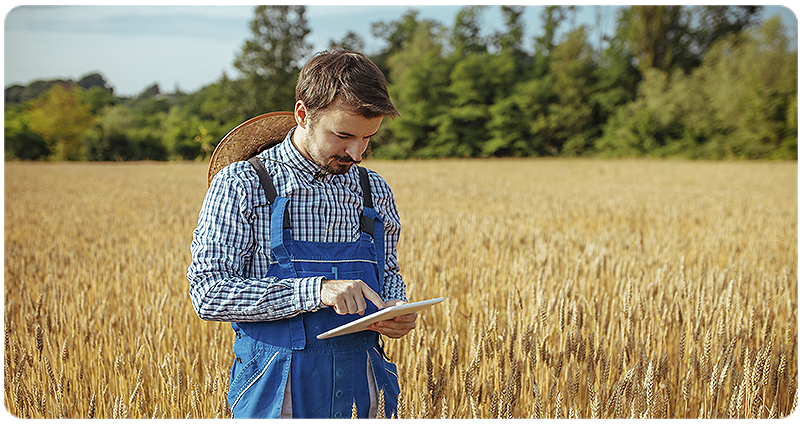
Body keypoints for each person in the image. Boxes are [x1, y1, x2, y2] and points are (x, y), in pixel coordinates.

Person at [187, 50, 416, 419]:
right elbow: (208, 293)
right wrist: (317, 290)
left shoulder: (375, 190)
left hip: (365, 389)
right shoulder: (242, 185)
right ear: (303, 115)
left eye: (367, 138)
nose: (356, 153)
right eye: (343, 136)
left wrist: (396, 308)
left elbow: (388, 272)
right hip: (275, 390)